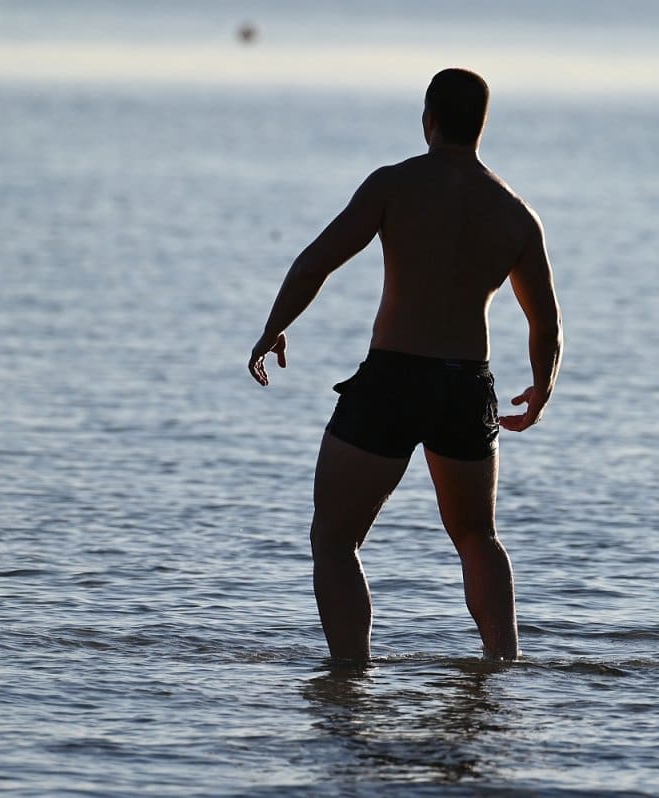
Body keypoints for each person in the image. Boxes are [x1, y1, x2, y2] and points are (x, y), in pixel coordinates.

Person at [248, 68, 562, 662]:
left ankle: (350, 676)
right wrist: (542, 387)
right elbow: (546, 323)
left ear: (429, 120)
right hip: (466, 387)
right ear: (481, 126)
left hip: (393, 379)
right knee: (477, 537)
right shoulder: (516, 213)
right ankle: (502, 667)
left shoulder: (394, 185)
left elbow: (315, 262)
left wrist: (273, 328)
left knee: (335, 539)